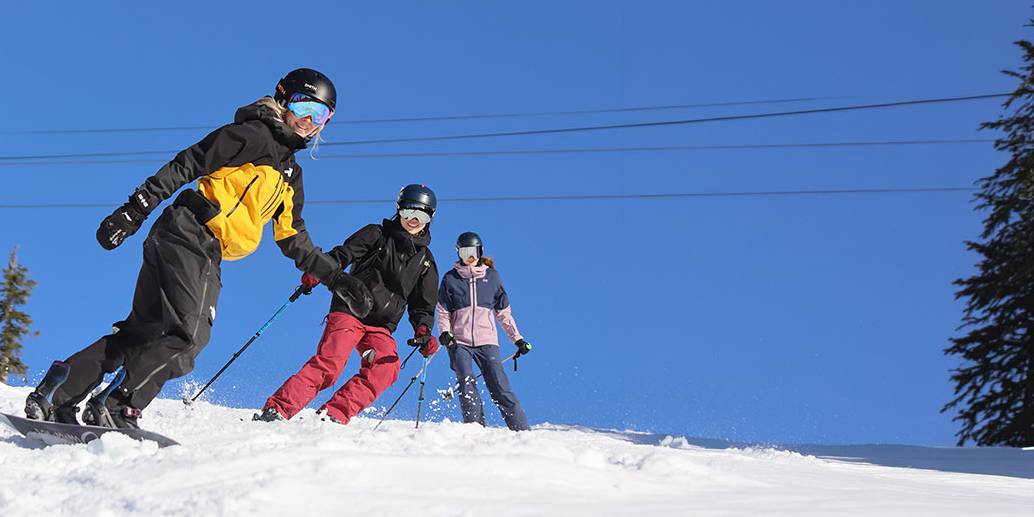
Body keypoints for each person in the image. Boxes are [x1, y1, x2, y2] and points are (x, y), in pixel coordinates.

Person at [24, 68, 373, 429]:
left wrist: (337, 279)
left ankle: (57, 392)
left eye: (320, 116)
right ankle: (119, 404)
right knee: (187, 337)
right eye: (304, 108)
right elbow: (187, 164)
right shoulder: (252, 135)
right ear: (283, 99)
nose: (309, 122)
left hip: (192, 244)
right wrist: (134, 210)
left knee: (141, 333)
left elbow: (293, 238)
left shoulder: (290, 176)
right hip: (192, 237)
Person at [256, 184, 440, 426]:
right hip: (350, 310)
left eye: (422, 215)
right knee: (331, 364)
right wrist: (318, 270)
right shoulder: (376, 234)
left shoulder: (426, 262)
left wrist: (424, 330)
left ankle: (333, 414)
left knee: (387, 368)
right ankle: (279, 408)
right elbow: (343, 254)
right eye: (408, 213)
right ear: (399, 210)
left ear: (430, 218)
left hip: (381, 327)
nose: (413, 220)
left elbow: (423, 306)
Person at [436, 232, 533, 431]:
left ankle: (521, 430)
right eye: (464, 252)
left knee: (499, 385)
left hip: (487, 341)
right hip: (460, 342)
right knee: (465, 381)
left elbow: (504, 314)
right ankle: (474, 428)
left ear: (480, 252)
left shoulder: (493, 277)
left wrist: (518, 339)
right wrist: (445, 332)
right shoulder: (450, 279)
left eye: (473, 251)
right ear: (458, 253)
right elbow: (443, 311)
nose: (469, 256)